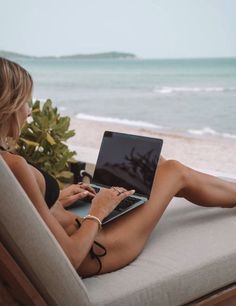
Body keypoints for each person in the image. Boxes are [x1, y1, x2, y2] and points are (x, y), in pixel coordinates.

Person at [0, 57, 236, 278]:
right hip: (98, 248)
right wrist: (98, 211)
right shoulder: (14, 165)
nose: (29, 111)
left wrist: (58, 198)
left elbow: (29, 214)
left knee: (156, 165)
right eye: (25, 102)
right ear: (7, 106)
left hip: (82, 231)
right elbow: (70, 257)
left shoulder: (6, 164)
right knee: (174, 171)